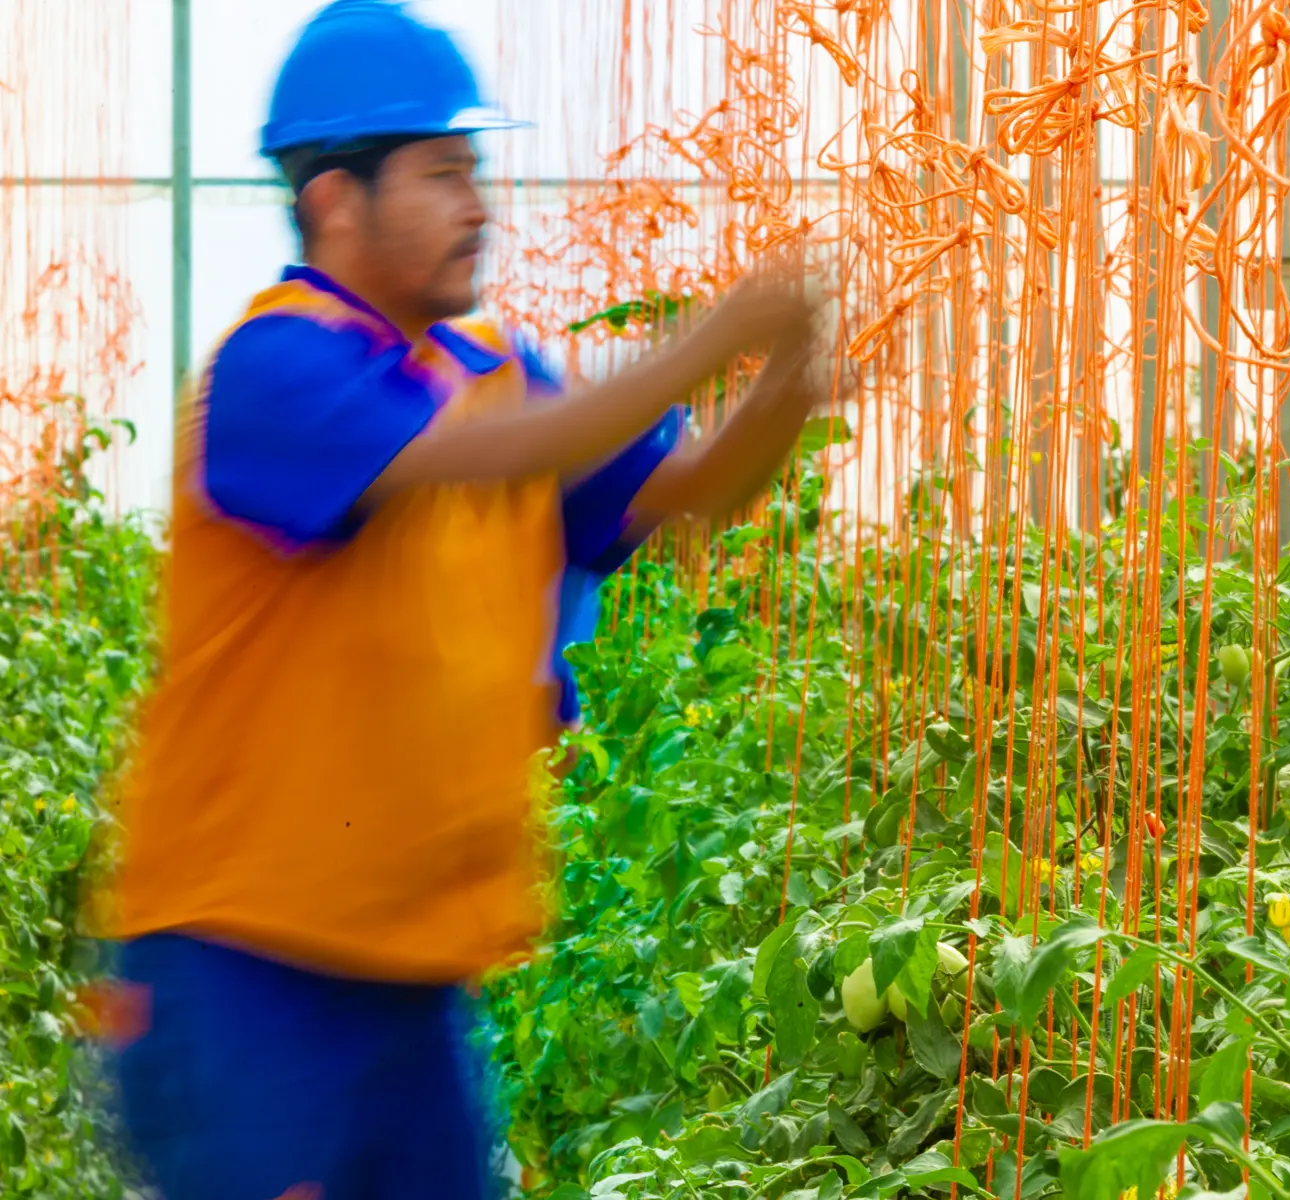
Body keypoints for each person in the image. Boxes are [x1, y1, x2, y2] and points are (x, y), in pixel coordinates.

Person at [83, 2, 830, 1197]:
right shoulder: (275, 369)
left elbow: (696, 491)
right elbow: (478, 461)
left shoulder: (490, 374)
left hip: (402, 972)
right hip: (237, 971)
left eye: (474, 173)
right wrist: (710, 342)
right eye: (442, 175)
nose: (479, 207)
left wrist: (794, 373)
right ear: (337, 198)